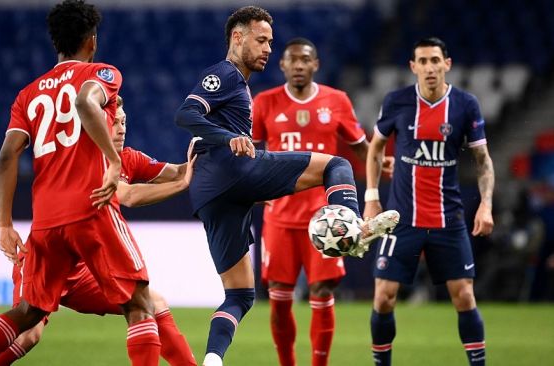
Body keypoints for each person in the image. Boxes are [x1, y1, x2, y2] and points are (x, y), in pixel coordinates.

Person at [174, 6, 399, 366]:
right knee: (337, 165)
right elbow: (186, 113)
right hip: (232, 170)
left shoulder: (246, 88)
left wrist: (256, 185)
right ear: (238, 37)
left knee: (240, 295)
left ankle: (213, 359)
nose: (267, 48)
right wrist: (228, 137)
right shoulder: (225, 74)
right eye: (261, 40)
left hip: (212, 194)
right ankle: (353, 226)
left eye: (269, 42)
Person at [0, 1, 161, 365]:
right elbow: (86, 102)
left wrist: (4, 223)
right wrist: (114, 161)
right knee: (140, 305)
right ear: (92, 41)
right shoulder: (103, 73)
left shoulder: (29, 93)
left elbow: (7, 156)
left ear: (57, 43)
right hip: (91, 207)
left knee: (27, 312)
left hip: (47, 219)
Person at [0, 97, 197, 366]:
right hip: (47, 258)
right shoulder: (88, 160)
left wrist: (200, 159)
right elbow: (128, 195)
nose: (121, 129)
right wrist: (183, 185)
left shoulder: (129, 158)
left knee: (153, 303)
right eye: (115, 122)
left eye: (124, 123)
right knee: (29, 335)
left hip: (81, 271)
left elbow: (179, 172)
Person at [251, 37, 393, 366]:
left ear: (315, 65)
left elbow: (361, 146)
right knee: (279, 299)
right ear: (282, 65)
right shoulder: (265, 103)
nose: (299, 65)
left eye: (306, 60)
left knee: (322, 293)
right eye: (293, 60)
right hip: (279, 218)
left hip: (327, 219)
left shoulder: (337, 101)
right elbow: (252, 153)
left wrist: (379, 164)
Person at [363, 37, 495, 366]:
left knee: (464, 295)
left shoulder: (466, 104)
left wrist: (486, 204)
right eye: (422, 61)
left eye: (435, 60)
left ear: (446, 64)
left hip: (447, 219)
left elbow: (483, 160)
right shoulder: (396, 102)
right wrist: (371, 197)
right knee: (383, 297)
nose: (429, 67)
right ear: (413, 67)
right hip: (401, 219)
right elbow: (375, 149)